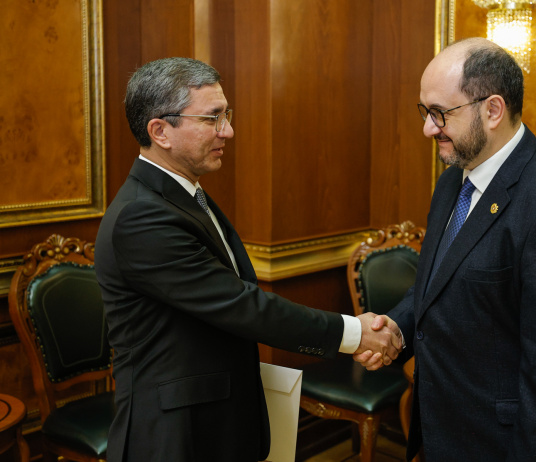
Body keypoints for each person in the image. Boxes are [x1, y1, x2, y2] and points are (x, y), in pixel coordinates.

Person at [94, 57, 402, 462]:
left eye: (227, 115)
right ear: (160, 131)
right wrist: (353, 333)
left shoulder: (183, 195)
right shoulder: (141, 217)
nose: (229, 131)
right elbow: (242, 306)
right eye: (213, 118)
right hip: (176, 432)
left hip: (215, 414)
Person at [355, 38, 536, 461]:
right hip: (448, 432)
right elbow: (437, 284)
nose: (427, 128)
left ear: (492, 110)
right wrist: (398, 329)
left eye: (440, 113)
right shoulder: (452, 182)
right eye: (425, 111)